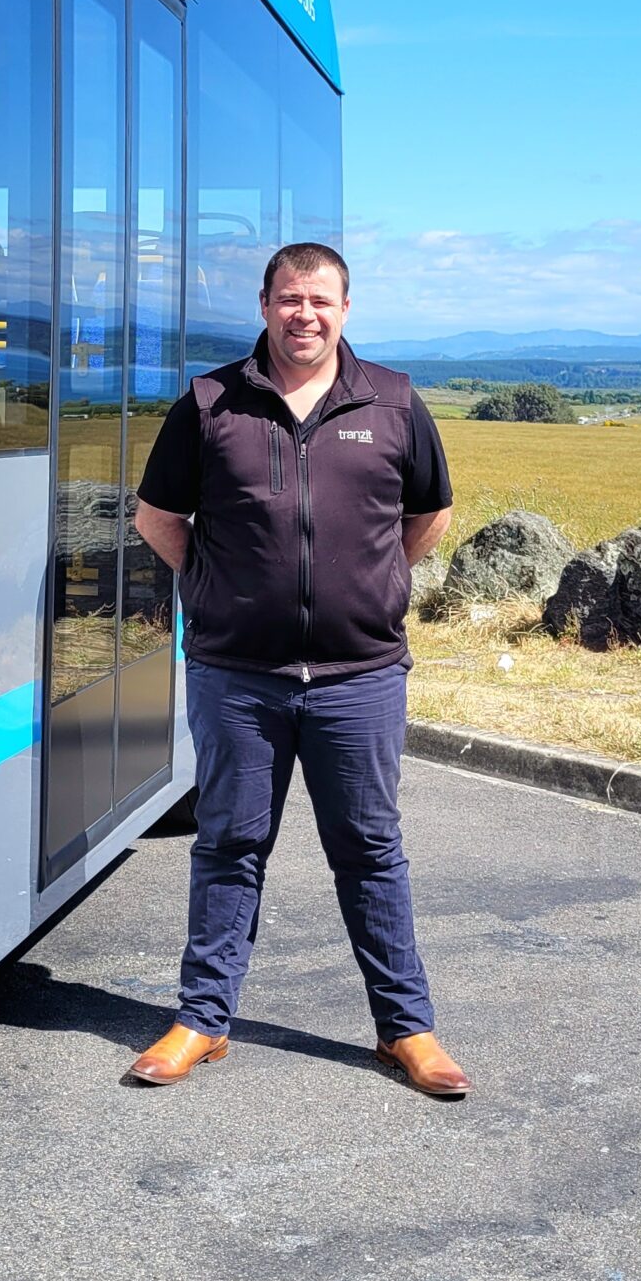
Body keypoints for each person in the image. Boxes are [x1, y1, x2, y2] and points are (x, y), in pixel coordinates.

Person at [126, 242, 470, 1098]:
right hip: (237, 675)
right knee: (230, 845)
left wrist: (375, 581)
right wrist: (214, 591)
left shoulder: (392, 402)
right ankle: (201, 1021)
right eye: (288, 299)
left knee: (369, 849)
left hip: (360, 675)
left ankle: (407, 1029)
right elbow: (157, 517)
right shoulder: (210, 403)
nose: (303, 314)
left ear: (346, 309)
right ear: (264, 305)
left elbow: (429, 515)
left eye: (320, 299)